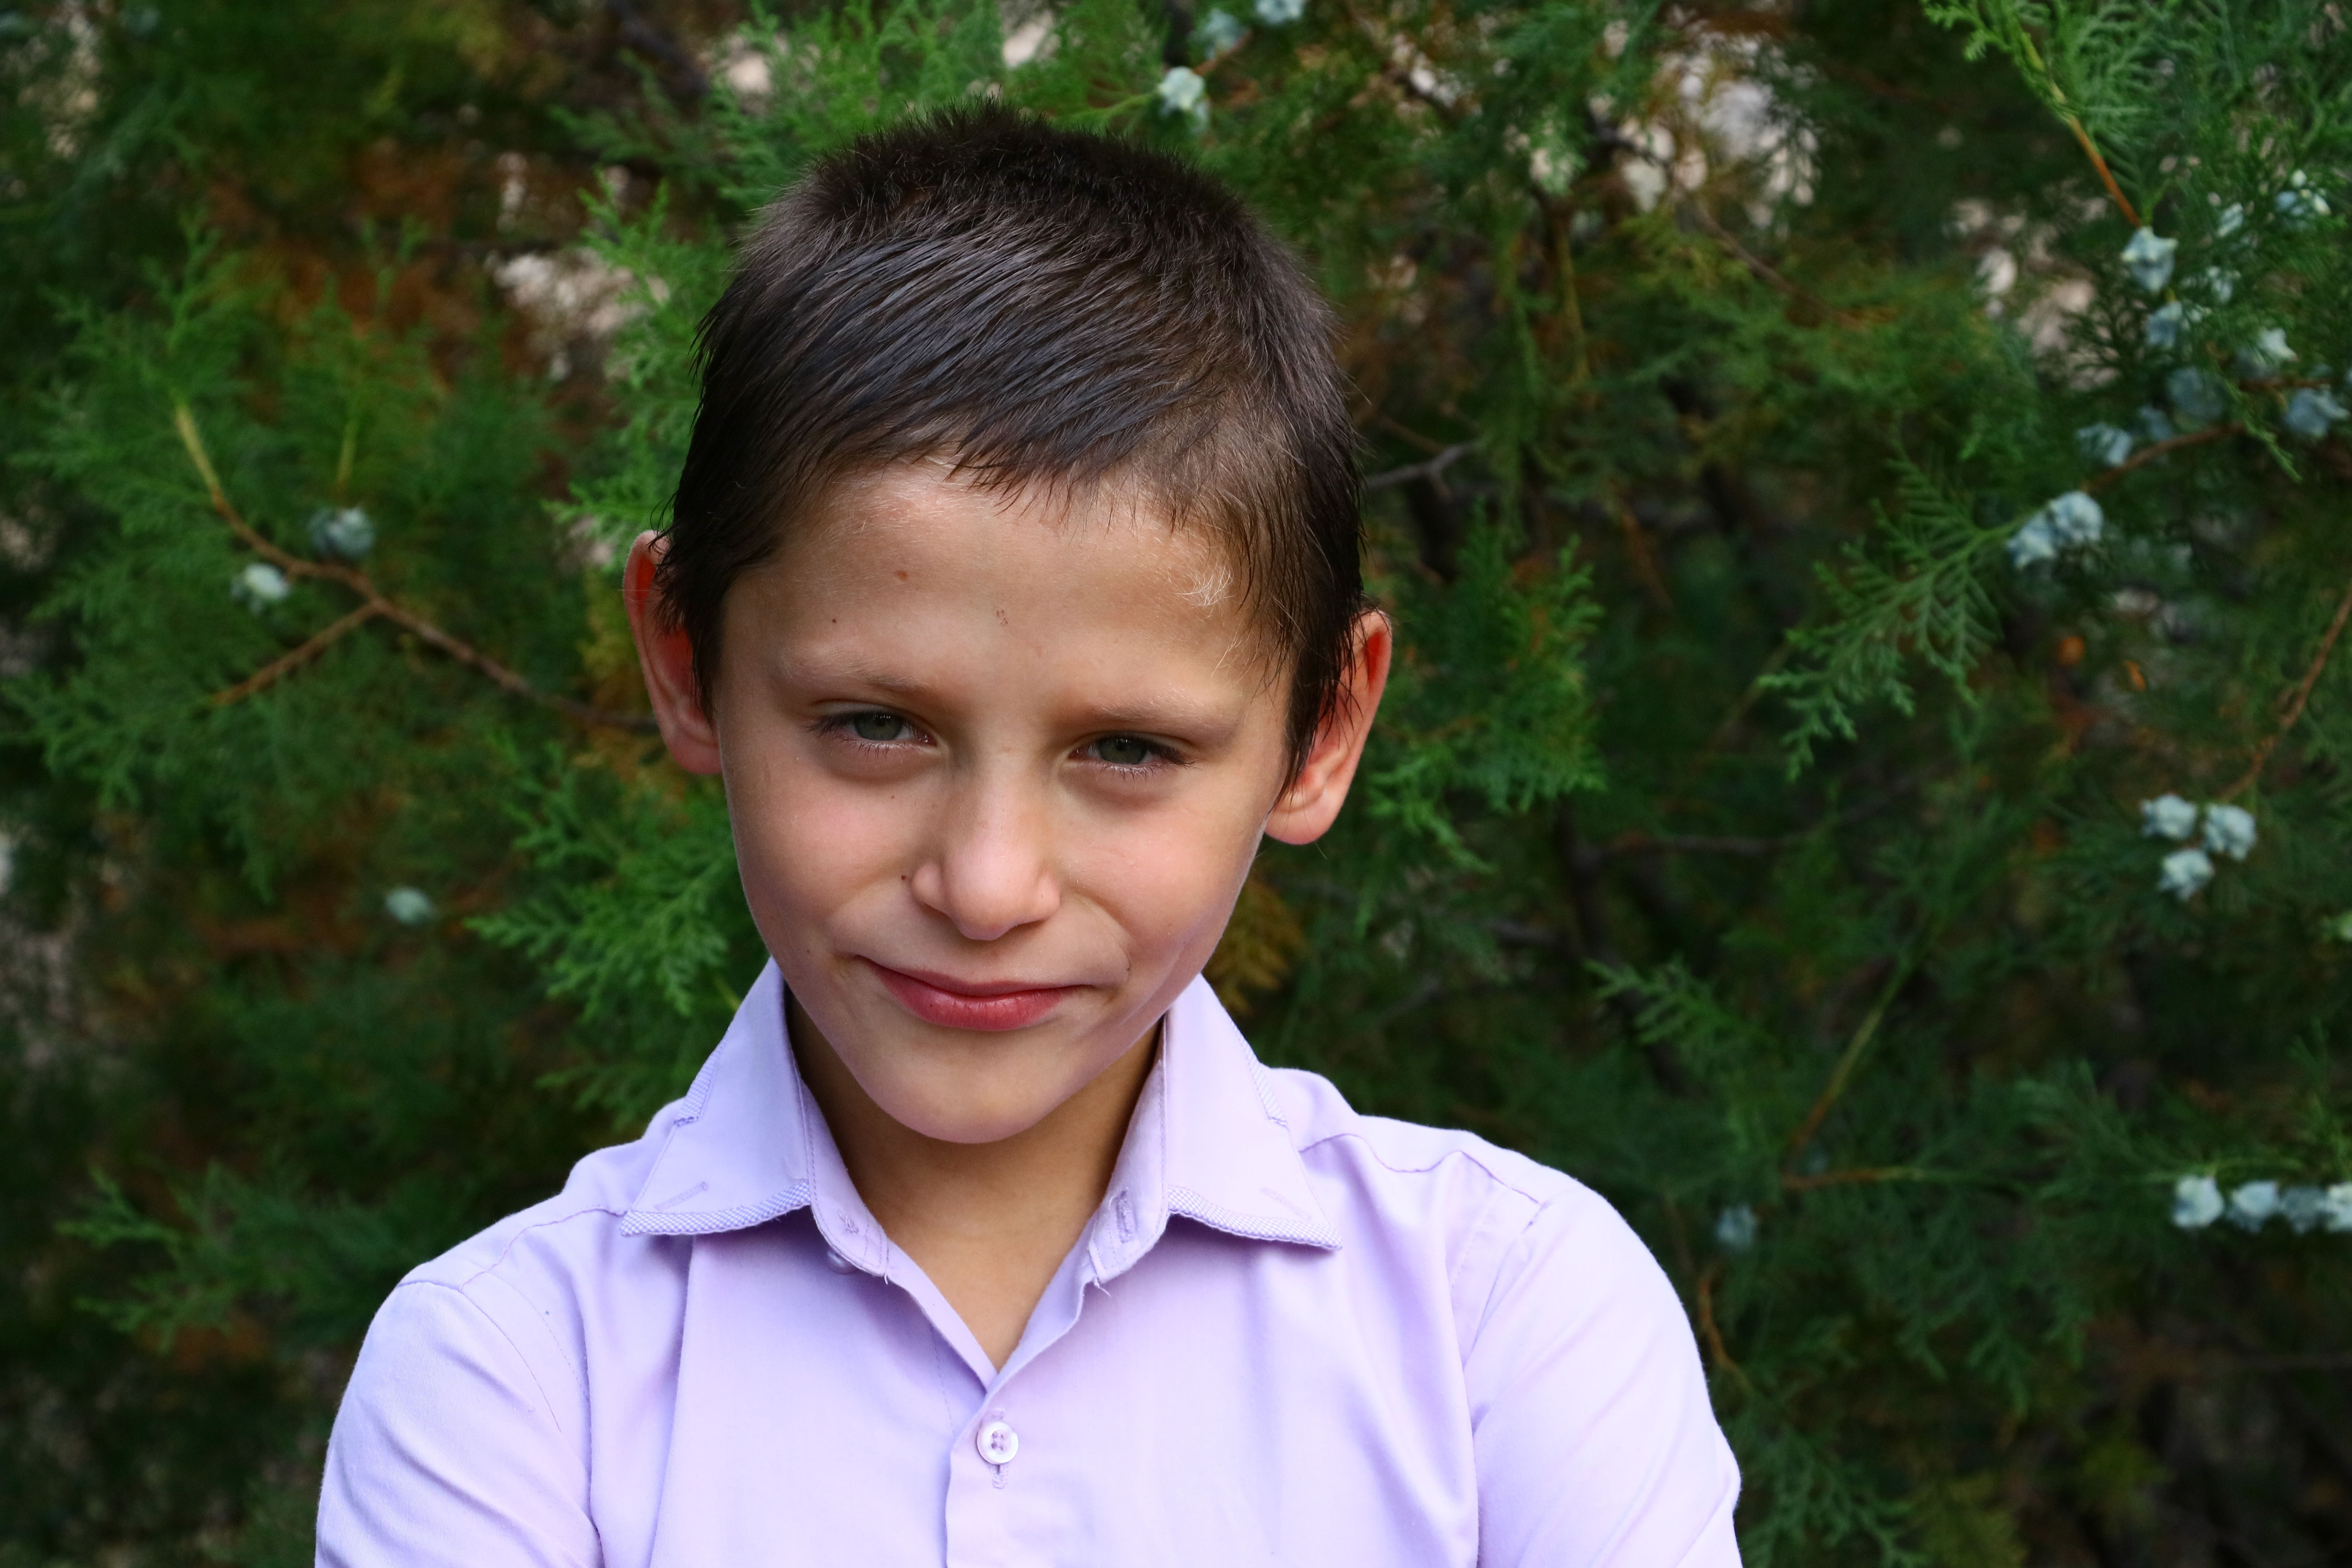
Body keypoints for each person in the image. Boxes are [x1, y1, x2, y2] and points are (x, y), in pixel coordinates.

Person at [315, 106, 1740, 1567]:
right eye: (876, 725)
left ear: (1322, 727)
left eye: (1127, 750)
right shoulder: (507, 1383)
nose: (989, 886)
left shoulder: (1509, 1320)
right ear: (688, 661)